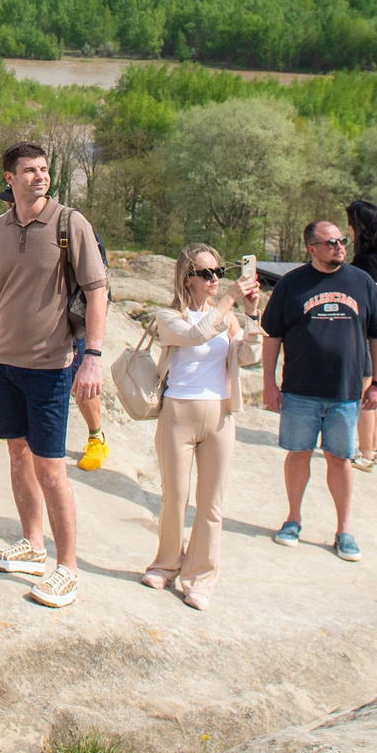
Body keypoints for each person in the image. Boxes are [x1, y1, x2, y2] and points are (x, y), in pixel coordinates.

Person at [0, 141, 109, 608]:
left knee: (51, 469)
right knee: (17, 456)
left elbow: (97, 290)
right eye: (29, 170)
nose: (39, 176)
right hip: (3, 364)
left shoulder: (70, 224)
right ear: (10, 178)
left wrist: (93, 356)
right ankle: (32, 545)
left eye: (43, 169)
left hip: (51, 366)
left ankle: (68, 568)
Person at [258, 219, 377, 562]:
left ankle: (344, 530)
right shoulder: (291, 284)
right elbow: (272, 336)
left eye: (341, 240)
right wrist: (269, 383)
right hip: (300, 391)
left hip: (345, 393)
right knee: (298, 453)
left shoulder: (362, 282)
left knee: (340, 460)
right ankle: (293, 520)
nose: (339, 247)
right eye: (330, 243)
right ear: (312, 249)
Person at [140, 245, 262, 609]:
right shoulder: (168, 316)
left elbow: (249, 355)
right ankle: (166, 564)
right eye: (206, 273)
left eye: (218, 272)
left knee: (211, 504)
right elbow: (195, 335)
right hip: (178, 412)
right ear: (187, 277)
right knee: (174, 498)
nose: (214, 279)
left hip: (220, 414)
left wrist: (251, 314)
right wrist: (228, 300)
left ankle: (201, 578)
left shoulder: (229, 318)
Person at [344, 198, 377, 473]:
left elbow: (362, 295)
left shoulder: (367, 260)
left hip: (363, 330)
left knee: (365, 392)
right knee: (374, 390)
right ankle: (373, 447)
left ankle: (365, 452)